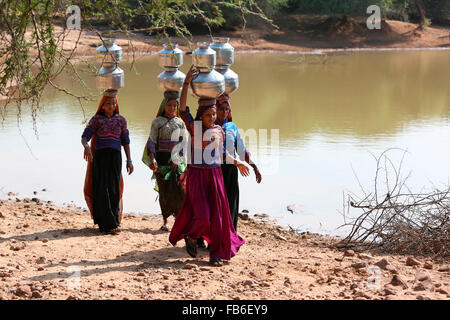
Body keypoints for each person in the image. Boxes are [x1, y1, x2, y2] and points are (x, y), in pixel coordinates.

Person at [169, 65, 249, 267]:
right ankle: (192, 236)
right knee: (203, 217)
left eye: (214, 115)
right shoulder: (194, 127)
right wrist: (186, 82)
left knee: (217, 218)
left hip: (215, 176)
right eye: (209, 115)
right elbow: (182, 108)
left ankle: (215, 254)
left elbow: (222, 153)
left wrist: (238, 162)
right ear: (201, 115)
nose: (213, 118)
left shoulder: (218, 131)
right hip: (197, 176)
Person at [82, 89, 134, 235]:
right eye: (108, 104)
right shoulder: (96, 119)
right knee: (102, 188)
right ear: (102, 106)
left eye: (113, 103)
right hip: (100, 158)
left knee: (114, 189)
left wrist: (129, 160)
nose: (111, 106)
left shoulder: (121, 120)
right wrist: (86, 146)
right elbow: (85, 136)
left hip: (115, 158)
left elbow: (126, 141)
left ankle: (114, 222)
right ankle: (106, 224)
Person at [142, 91, 188, 232]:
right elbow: (152, 141)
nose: (172, 108)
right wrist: (152, 159)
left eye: (175, 105)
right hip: (161, 160)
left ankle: (178, 220)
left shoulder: (180, 123)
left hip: (176, 161)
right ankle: (165, 221)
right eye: (170, 105)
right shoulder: (157, 122)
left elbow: (183, 142)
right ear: (164, 106)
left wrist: (177, 159)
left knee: (178, 190)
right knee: (164, 192)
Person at [216, 93, 262, 231]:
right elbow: (217, 153)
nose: (224, 112)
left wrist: (255, 167)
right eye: (221, 109)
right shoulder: (210, 127)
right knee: (216, 204)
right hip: (215, 170)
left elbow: (242, 151)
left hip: (231, 171)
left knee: (231, 203)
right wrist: (238, 163)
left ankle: (229, 236)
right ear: (215, 109)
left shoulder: (232, 127)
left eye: (227, 109)